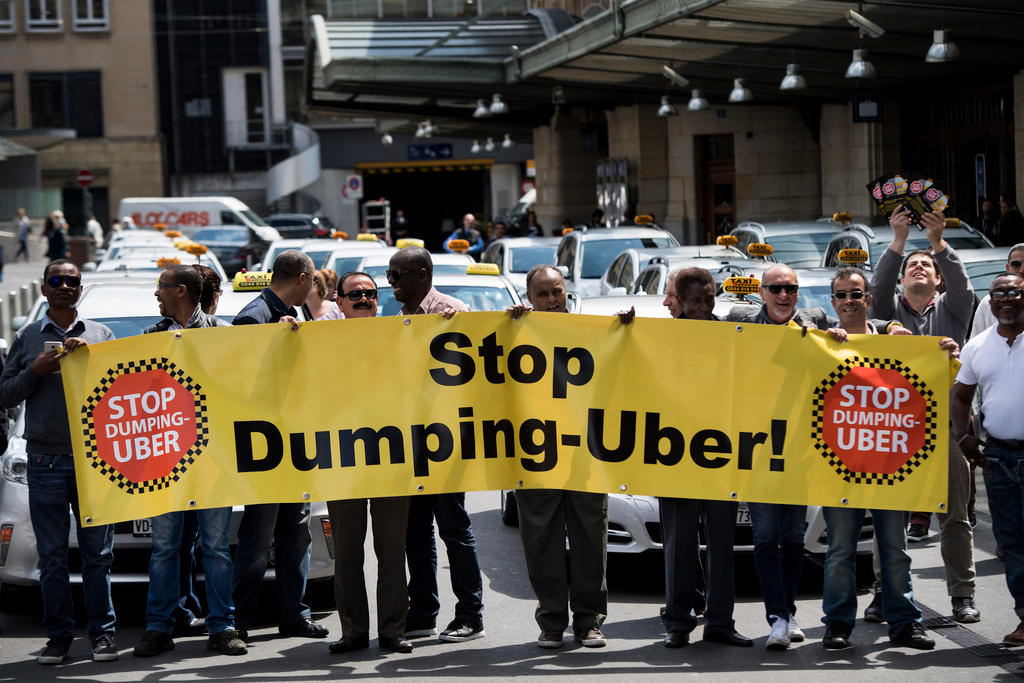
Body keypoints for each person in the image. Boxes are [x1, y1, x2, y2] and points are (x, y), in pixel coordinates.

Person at [724, 263, 902, 650]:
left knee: (792, 537)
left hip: (800, 452)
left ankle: (788, 613)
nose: (784, 295)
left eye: (790, 288)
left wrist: (890, 329)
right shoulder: (740, 321)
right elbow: (692, 336)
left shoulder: (815, 319)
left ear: (798, 292)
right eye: (776, 288)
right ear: (762, 293)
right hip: (756, 449)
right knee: (766, 537)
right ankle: (777, 617)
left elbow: (867, 320)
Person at [0, 259, 116, 664]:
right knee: (52, 556)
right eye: (57, 280)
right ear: (45, 288)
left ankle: (103, 636)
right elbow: (6, 395)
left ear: (80, 288)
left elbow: (119, 397)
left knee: (98, 556)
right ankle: (59, 637)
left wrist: (94, 363)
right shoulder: (28, 336)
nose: (66, 285)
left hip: (94, 461)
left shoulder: (101, 335)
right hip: (45, 459)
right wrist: (35, 370)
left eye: (73, 280)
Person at [868, 205, 979, 624]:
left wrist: (938, 243)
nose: (918, 267)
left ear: (936, 279)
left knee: (954, 517)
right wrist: (897, 241)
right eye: (911, 265)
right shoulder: (885, 315)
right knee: (890, 517)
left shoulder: (954, 309)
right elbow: (875, 288)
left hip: (946, 429)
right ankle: (885, 592)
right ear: (902, 279)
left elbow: (963, 283)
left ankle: (962, 596)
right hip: (894, 429)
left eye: (926, 265)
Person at [819, 267, 940, 651]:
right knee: (840, 550)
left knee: (895, 548)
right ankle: (837, 623)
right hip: (839, 469)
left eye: (856, 294)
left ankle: (904, 622)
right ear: (833, 302)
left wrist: (944, 354)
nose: (849, 301)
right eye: (841, 295)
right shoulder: (822, 343)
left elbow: (924, 383)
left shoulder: (897, 342)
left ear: (869, 300)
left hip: (890, 466)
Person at [133, 266, 245, 658]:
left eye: (161, 288)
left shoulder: (222, 334)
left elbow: (244, 383)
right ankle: (159, 627)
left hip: (212, 462)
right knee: (164, 547)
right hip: (166, 462)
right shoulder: (150, 339)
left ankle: (223, 626)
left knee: (215, 546)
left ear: (181, 291)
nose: (156, 295)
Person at [506, 264, 609, 649]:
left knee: (590, 539)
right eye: (544, 294)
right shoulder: (514, 331)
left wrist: (626, 331)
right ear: (529, 298)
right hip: (535, 457)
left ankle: (588, 621)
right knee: (540, 542)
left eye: (558, 292)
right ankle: (551, 621)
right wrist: (509, 326)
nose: (552, 300)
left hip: (584, 454)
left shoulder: (591, 333)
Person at [387, 247, 485, 643]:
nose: (391, 282)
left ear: (422, 274)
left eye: (398, 274)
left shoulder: (452, 312)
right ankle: (424, 610)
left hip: (445, 443)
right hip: (411, 443)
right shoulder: (398, 320)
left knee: (454, 528)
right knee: (416, 533)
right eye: (390, 275)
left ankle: (470, 615)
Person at [231, 250, 329, 642]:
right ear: (303, 278)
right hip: (265, 448)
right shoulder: (253, 317)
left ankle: (294, 615)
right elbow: (241, 382)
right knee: (257, 539)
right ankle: (240, 619)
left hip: (296, 444)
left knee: (296, 533)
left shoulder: (298, 315)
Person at [661, 267, 750, 649]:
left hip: (721, 457)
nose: (705, 306)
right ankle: (678, 623)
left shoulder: (735, 337)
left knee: (721, 543)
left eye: (710, 298)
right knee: (679, 545)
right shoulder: (658, 339)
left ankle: (720, 622)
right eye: (696, 300)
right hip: (675, 457)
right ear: (679, 301)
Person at [326, 271, 413, 655]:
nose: (363, 300)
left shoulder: (400, 337)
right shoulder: (317, 342)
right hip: (341, 463)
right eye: (355, 295)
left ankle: (393, 630)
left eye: (370, 294)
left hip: (390, 461)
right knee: (346, 553)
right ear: (339, 302)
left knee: (392, 551)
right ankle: (354, 631)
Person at [953, 272, 1024, 645]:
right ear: (990, 302)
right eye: (1000, 293)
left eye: (1015, 291)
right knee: (1011, 542)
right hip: (998, 456)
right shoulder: (978, 345)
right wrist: (964, 435)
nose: (1007, 298)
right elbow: (962, 394)